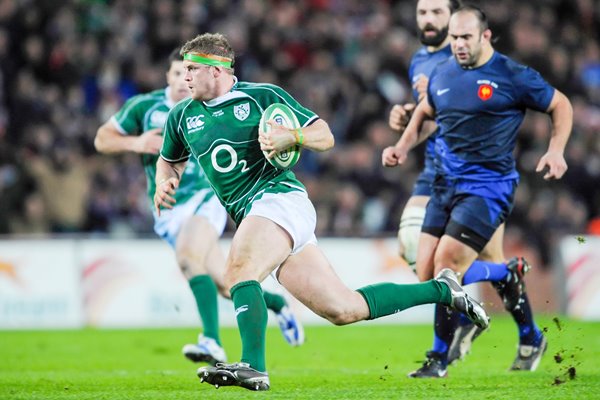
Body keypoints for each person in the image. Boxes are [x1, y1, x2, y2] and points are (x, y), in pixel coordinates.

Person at [154, 32, 489, 392]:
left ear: (217, 70)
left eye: (191, 68)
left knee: (238, 269)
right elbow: (168, 161)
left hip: (279, 199)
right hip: (259, 214)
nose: (183, 77)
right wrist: (165, 182)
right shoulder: (182, 116)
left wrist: (293, 136)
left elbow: (324, 135)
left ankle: (253, 366)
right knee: (344, 309)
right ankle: (442, 290)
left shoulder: (262, 96)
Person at [382, 4, 572, 376]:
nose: (458, 44)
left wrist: (556, 150)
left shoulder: (511, 74)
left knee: (447, 265)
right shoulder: (440, 72)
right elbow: (425, 111)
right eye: (454, 38)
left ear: (485, 36)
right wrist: (402, 146)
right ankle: (507, 278)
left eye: (465, 37)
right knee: (427, 274)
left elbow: (560, 104)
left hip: (487, 187)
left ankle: (438, 358)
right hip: (443, 183)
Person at [94, 49, 305, 366]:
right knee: (223, 283)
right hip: (168, 207)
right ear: (167, 76)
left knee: (188, 258)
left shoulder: (207, 108)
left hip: (206, 198)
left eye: (189, 72)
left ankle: (212, 342)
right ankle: (277, 304)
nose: (184, 79)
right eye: (178, 73)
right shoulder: (145, 107)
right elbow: (102, 138)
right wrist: (136, 143)